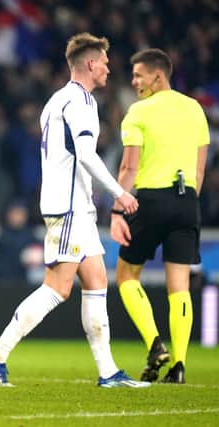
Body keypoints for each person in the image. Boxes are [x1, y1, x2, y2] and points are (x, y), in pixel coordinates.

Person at [0, 33, 149, 388]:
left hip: (75, 206)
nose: (108, 67)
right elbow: (85, 156)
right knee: (58, 287)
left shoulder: (55, 102)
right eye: (103, 61)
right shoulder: (80, 102)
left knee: (98, 281)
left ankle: (107, 372)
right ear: (89, 64)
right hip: (68, 207)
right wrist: (120, 193)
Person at [110, 48, 209, 384]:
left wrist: (116, 209)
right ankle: (179, 366)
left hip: (151, 200)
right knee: (178, 287)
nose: (134, 81)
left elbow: (129, 168)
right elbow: (200, 166)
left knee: (126, 274)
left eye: (138, 75)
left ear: (158, 75)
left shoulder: (139, 112)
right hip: (187, 201)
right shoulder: (195, 109)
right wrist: (188, 200)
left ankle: (155, 345)